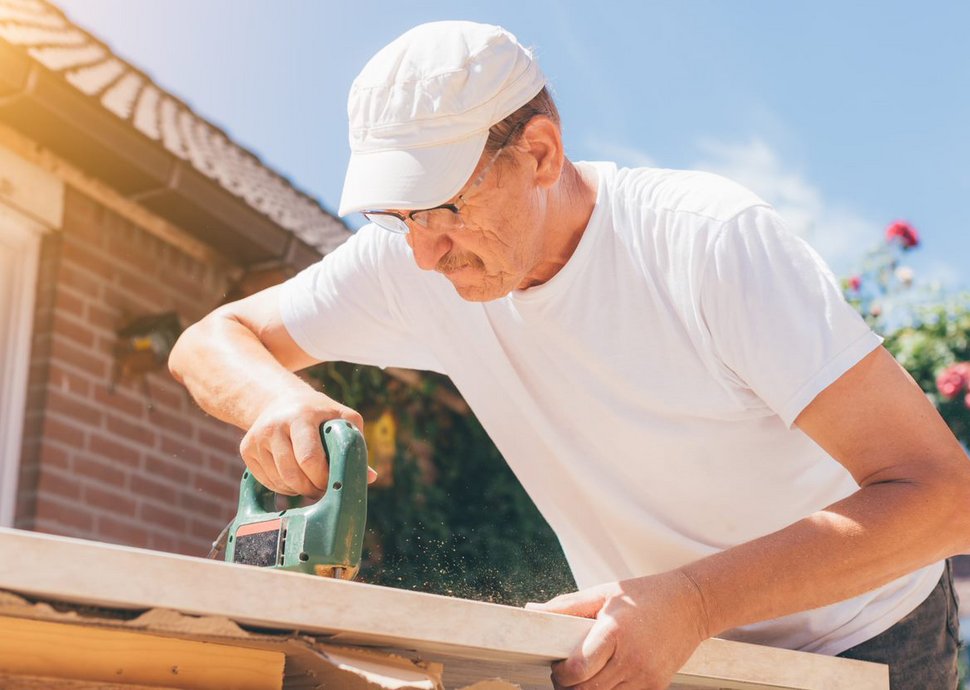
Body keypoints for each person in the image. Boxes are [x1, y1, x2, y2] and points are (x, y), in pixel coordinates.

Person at [169, 20, 970, 689]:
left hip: (864, 640)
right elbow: (210, 341)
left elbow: (943, 497)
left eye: (444, 207)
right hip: (664, 643)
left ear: (542, 154)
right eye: (398, 215)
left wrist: (693, 601)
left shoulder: (706, 243)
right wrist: (270, 399)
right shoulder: (414, 260)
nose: (422, 254)